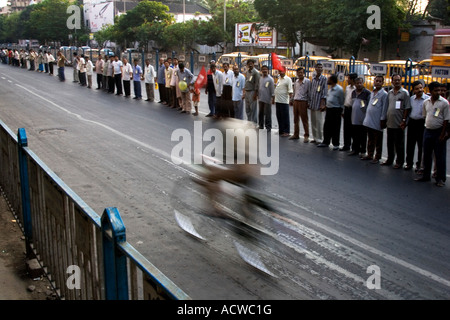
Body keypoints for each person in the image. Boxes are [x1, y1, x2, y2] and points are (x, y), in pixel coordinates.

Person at [415, 81, 449, 187]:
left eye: (439, 90)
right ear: (430, 91)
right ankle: (426, 175)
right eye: (436, 90)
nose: (438, 92)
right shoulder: (426, 102)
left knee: (440, 156)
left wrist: (442, 134)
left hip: (439, 131)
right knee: (427, 155)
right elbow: (425, 116)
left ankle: (440, 178)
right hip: (428, 130)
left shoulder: (444, 103)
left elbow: (446, 120)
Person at [381, 74, 411, 169]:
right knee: (390, 143)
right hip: (390, 122)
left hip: (399, 123)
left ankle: (400, 161)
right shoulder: (389, 93)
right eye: (395, 80)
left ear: (401, 81)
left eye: (398, 80)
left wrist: (404, 120)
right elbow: (387, 106)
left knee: (399, 144)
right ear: (392, 81)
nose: (397, 82)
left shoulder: (404, 93)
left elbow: (407, 108)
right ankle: (390, 159)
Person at [362, 75, 388, 163]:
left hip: (377, 120)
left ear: (383, 83)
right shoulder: (372, 93)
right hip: (369, 119)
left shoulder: (384, 94)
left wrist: (382, 119)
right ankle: (370, 154)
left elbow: (384, 108)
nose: (378, 82)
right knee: (370, 139)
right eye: (376, 81)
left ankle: (377, 156)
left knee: (378, 140)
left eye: (380, 81)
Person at [405, 80, 430, 171]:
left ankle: (419, 164)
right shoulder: (411, 99)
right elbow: (408, 111)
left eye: (420, 88)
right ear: (413, 90)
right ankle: (409, 163)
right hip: (412, 123)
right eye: (417, 89)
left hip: (422, 123)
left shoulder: (427, 99)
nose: (419, 90)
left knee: (421, 146)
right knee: (410, 144)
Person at [317, 74, 344, 149]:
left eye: (329, 79)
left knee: (335, 127)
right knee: (327, 126)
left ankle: (336, 144)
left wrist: (341, 111)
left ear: (332, 80)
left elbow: (342, 101)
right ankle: (326, 141)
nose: (327, 80)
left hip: (336, 110)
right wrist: (325, 107)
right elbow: (329, 100)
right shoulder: (330, 88)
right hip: (328, 109)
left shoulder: (339, 90)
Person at [348, 77, 371, 157]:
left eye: (360, 83)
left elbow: (368, 106)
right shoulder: (353, 92)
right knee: (355, 135)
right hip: (354, 118)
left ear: (363, 83)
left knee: (363, 135)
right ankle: (355, 149)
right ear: (355, 84)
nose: (359, 84)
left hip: (363, 118)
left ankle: (363, 151)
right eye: (357, 83)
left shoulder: (367, 93)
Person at [290, 67, 311, 142]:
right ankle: (296, 134)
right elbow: (295, 91)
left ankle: (306, 135)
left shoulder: (307, 81)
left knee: (304, 119)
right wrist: (292, 100)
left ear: (304, 73)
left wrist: (309, 102)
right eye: (298, 72)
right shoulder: (296, 82)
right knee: (296, 119)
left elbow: (309, 92)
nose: (300, 74)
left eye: (301, 72)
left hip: (303, 101)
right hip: (296, 101)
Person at [309, 63, 327, 144]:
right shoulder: (313, 78)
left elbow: (324, 92)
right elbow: (311, 91)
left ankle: (319, 138)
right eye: (318, 67)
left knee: (319, 121)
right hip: (313, 103)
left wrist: (322, 104)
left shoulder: (324, 79)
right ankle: (315, 137)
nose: (319, 69)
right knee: (313, 121)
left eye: (321, 67)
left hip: (319, 103)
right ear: (315, 68)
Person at [341, 73, 358, 151]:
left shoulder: (356, 89)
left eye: (348, 78)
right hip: (347, 108)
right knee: (346, 128)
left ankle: (355, 147)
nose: (347, 80)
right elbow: (345, 98)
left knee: (353, 129)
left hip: (353, 110)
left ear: (352, 80)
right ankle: (346, 145)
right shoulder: (347, 87)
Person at [275, 67, 293, 137]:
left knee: (285, 117)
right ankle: (281, 130)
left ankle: (286, 131)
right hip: (278, 100)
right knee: (279, 116)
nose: (280, 72)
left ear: (285, 71)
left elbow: (290, 90)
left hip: (284, 101)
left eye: (282, 71)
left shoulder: (288, 79)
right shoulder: (279, 78)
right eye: (279, 71)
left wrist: (291, 99)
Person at [258, 65, 275, 131]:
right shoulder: (261, 78)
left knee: (267, 113)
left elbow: (272, 90)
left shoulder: (270, 79)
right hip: (261, 98)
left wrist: (272, 98)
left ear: (268, 70)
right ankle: (260, 125)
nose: (264, 71)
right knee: (260, 113)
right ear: (261, 70)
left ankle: (268, 127)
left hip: (267, 99)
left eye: (265, 69)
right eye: (263, 69)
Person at [244, 59, 260, 126]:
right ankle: (249, 122)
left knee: (253, 109)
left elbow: (257, 84)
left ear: (253, 64)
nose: (250, 65)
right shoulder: (247, 72)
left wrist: (255, 94)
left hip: (252, 92)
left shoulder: (256, 73)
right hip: (247, 92)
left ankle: (254, 123)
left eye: (251, 63)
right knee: (247, 109)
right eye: (249, 64)